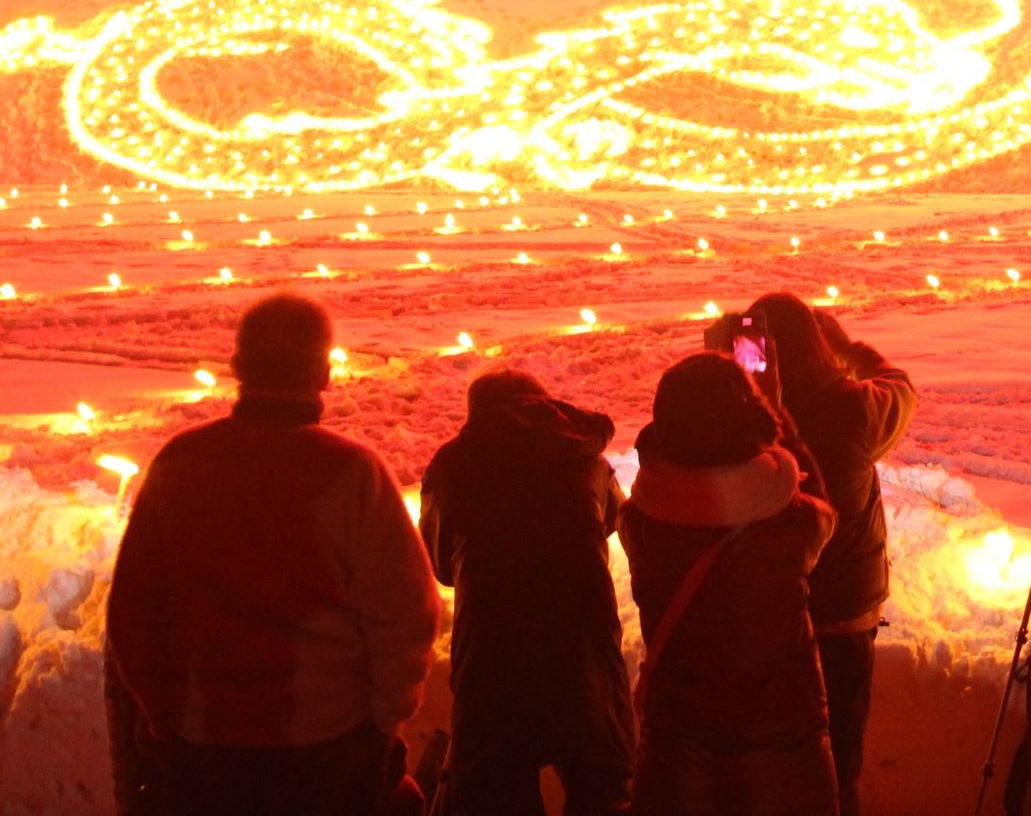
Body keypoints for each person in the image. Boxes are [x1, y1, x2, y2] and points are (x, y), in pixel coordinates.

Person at [106, 294, 439, 816]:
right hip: (327, 745)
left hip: (203, 745)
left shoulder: (182, 464)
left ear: (238, 367)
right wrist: (384, 721)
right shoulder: (352, 473)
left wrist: (160, 712)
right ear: (325, 373)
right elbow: (406, 614)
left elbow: (133, 610)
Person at [709, 294, 916, 816]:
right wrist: (849, 349)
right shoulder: (852, 411)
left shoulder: (736, 417)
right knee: (838, 755)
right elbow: (900, 386)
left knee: (768, 754)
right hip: (844, 611)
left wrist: (722, 358)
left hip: (763, 612)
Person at [621, 351, 839, 816]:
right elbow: (825, 510)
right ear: (746, 418)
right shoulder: (791, 522)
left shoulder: (639, 520)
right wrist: (783, 424)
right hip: (779, 728)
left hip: (677, 731)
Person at [418, 369, 634, 814]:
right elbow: (614, 519)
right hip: (585, 642)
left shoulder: (453, 465)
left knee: (496, 792)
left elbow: (439, 563)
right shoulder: (585, 455)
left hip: (492, 648)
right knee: (601, 787)